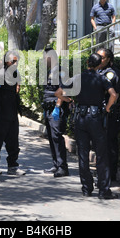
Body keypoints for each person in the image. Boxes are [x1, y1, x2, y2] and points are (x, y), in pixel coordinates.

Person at [55, 53, 118, 199]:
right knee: (101, 155)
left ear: (87, 63)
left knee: (82, 154)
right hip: (96, 119)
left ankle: (86, 188)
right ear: (99, 65)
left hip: (80, 118)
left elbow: (58, 93)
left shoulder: (77, 78)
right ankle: (103, 190)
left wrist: (69, 100)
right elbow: (113, 95)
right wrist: (108, 108)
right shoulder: (101, 78)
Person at [0, 51, 25, 176]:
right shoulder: (0, 74)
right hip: (0, 113)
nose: (16, 64)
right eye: (13, 61)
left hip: (12, 112)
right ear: (7, 61)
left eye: (17, 61)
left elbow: (17, 88)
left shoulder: (15, 73)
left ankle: (13, 166)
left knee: (13, 142)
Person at [42, 47, 70, 178]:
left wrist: (58, 107)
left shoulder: (60, 71)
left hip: (56, 108)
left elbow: (63, 90)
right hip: (49, 108)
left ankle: (62, 167)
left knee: (57, 137)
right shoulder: (50, 71)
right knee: (52, 137)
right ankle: (56, 164)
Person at [97, 48, 120, 181]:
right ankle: (103, 173)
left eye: (102, 58)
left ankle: (110, 175)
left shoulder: (111, 74)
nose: (99, 60)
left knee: (109, 144)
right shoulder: (98, 71)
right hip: (100, 113)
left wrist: (107, 109)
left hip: (109, 113)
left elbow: (115, 95)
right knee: (101, 144)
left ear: (108, 59)